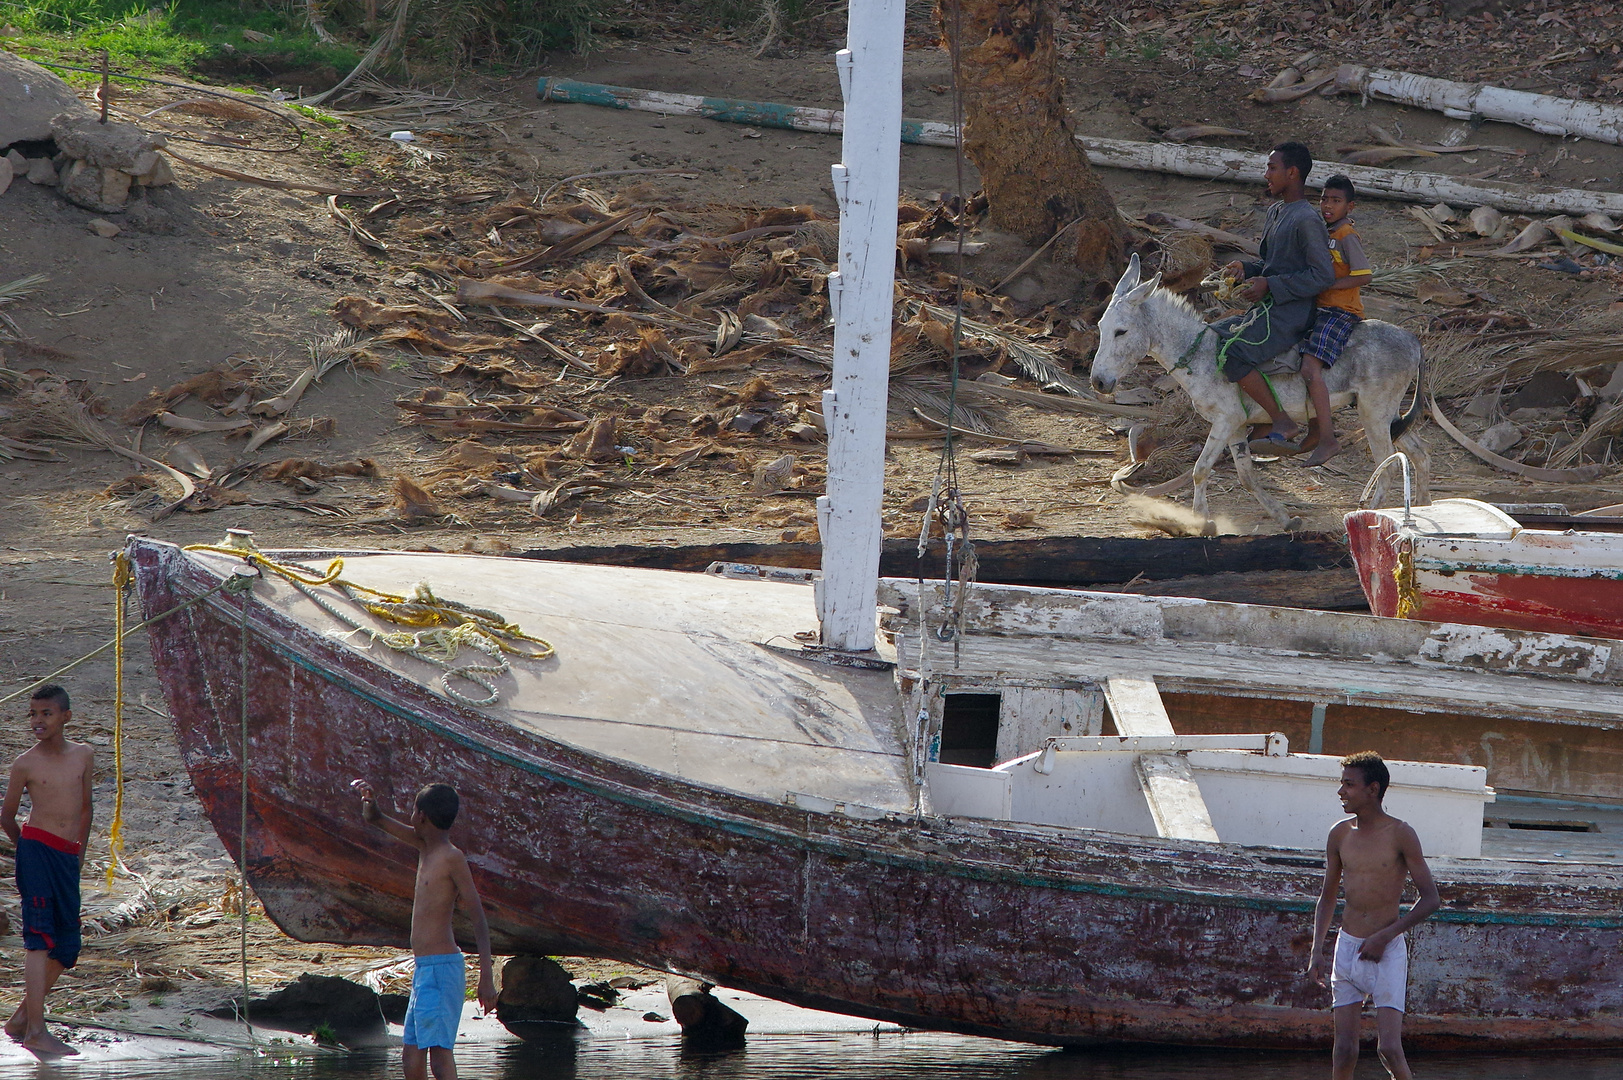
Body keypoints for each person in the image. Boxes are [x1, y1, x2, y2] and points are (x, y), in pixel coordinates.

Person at [1305, 751, 1441, 1080]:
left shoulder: (1400, 833)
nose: (1341, 792)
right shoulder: (1339, 834)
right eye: (1341, 784)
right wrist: (1316, 950)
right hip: (1347, 946)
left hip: (1387, 950)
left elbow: (1431, 899)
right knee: (1344, 1050)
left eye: (1349, 785)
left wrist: (1385, 935)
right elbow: (1327, 896)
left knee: (1389, 1049)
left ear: (1372, 789)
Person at [353, 780, 495, 1080]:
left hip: (442, 971)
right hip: (424, 970)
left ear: (421, 817)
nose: (410, 815)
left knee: (440, 1055)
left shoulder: (451, 857)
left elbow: (479, 918)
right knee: (411, 1054)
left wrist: (486, 979)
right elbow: (376, 819)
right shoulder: (424, 845)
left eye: (413, 809)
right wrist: (370, 802)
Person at [1217, 140, 1337, 451]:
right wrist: (1246, 268)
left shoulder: (1307, 219)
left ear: (1293, 173)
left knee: (1233, 352)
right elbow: (1271, 265)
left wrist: (1271, 286)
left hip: (1292, 313)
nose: (1266, 174)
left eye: (1272, 168)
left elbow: (1322, 276)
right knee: (1211, 336)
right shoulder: (1276, 212)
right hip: (1270, 308)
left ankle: (1280, 420)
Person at [1, 685, 94, 1057]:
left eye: (47, 714)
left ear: (65, 717)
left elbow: (86, 809)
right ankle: (37, 1031)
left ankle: (21, 1018)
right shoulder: (26, 762)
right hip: (37, 850)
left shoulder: (84, 755)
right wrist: (26, 847)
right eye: (33, 715)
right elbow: (6, 816)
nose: (38, 721)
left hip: (67, 855)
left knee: (68, 942)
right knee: (39, 936)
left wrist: (79, 854)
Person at [1297, 175, 1373, 467]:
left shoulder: (1346, 235)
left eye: (1336, 201)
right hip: (1320, 307)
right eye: (1324, 199)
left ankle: (1328, 438)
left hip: (1341, 311)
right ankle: (1315, 429)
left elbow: (1364, 274)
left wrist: (1328, 285)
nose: (1328, 205)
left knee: (1310, 366)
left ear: (1349, 206)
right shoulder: (1325, 230)